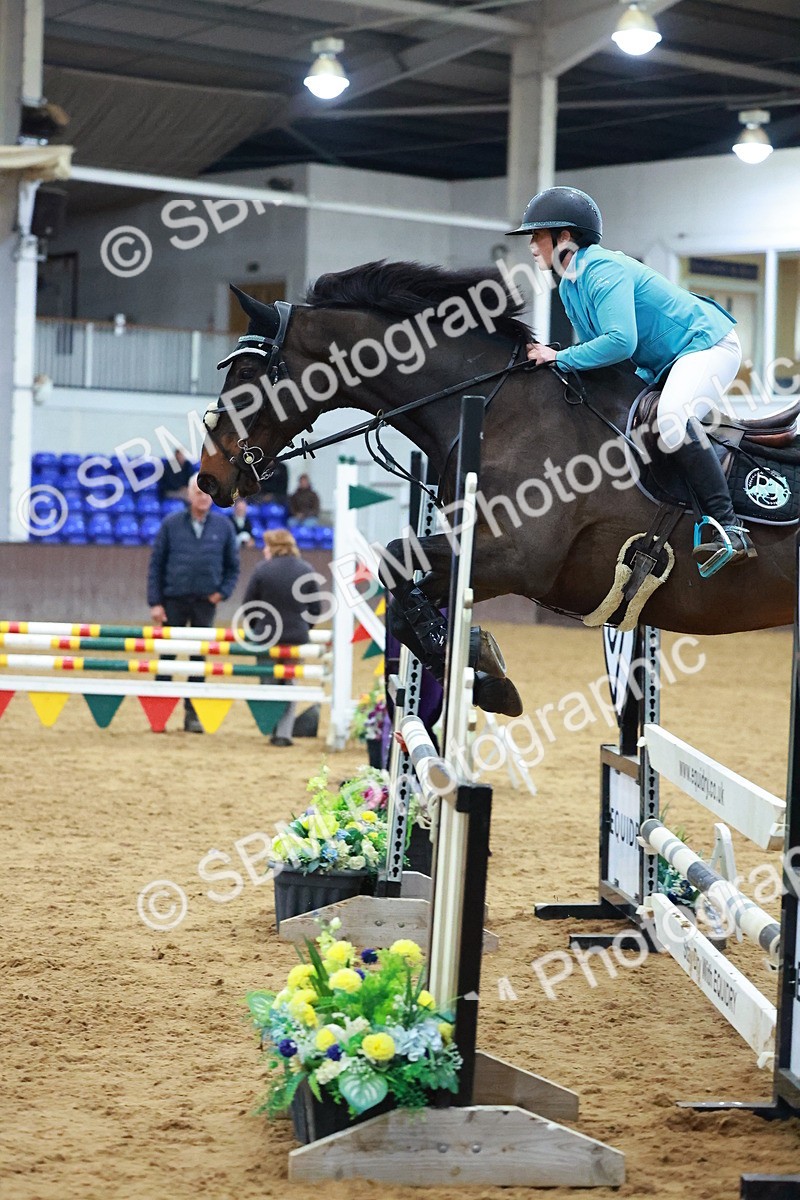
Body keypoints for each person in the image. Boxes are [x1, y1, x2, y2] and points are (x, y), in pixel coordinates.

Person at [509, 185, 756, 575]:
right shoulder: (570, 285)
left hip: (708, 345)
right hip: (665, 362)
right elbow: (601, 353)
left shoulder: (601, 269)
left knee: (671, 420)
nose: (531, 245)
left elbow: (620, 343)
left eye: (537, 235)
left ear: (564, 237)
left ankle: (729, 527)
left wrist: (558, 356)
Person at [147, 474, 240, 732]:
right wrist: (155, 602)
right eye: (199, 493)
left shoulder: (224, 527)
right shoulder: (171, 524)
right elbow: (156, 565)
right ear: (189, 495)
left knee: (198, 659)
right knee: (167, 657)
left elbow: (233, 566)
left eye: (208, 494)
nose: (204, 498)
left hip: (205, 603)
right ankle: (160, 715)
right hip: (173, 600)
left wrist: (223, 592)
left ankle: (193, 715)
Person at [242, 528, 324, 747]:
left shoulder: (262, 570)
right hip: (295, 637)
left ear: (274, 547)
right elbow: (316, 608)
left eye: (266, 546)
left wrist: (257, 628)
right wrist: (303, 627)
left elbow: (248, 605)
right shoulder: (306, 569)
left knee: (268, 681)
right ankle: (284, 733)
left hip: (267, 637)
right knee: (290, 682)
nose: (264, 550)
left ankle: (270, 725)